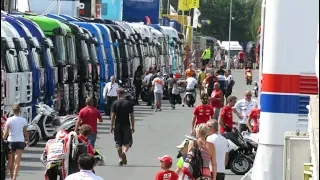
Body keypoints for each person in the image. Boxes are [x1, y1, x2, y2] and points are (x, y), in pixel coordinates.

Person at [2, 105, 29, 180]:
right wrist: (27, 141)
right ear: (19, 111)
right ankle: (14, 178)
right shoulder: (23, 120)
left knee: (11, 160)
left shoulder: (9, 120)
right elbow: (26, 132)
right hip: (20, 141)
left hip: (11, 141)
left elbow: (6, 132)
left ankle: (11, 177)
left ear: (13, 111)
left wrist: (3, 139)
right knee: (17, 161)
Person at [111, 88, 135, 166]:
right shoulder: (129, 103)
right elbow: (131, 116)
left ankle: (120, 158)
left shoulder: (115, 103)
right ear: (124, 94)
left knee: (118, 143)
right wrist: (133, 126)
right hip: (126, 124)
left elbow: (113, 116)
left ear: (118, 94)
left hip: (117, 124)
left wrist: (112, 126)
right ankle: (124, 152)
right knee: (127, 141)